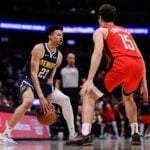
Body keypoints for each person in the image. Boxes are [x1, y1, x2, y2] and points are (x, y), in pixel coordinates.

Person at [66, 4, 148, 146]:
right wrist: (144, 83)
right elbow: (140, 57)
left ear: (100, 19)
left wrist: (90, 80)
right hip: (138, 66)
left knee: (88, 95)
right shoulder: (126, 32)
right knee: (128, 97)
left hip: (121, 65)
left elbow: (97, 53)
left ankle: (85, 134)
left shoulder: (101, 31)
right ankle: (135, 133)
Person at [0, 25, 77, 144]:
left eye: (62, 35)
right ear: (50, 37)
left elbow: (50, 79)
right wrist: (41, 97)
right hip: (29, 78)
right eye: (58, 35)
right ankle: (5, 134)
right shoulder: (39, 49)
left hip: (43, 83)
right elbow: (33, 74)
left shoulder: (59, 57)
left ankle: (72, 135)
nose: (61, 37)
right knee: (28, 101)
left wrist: (50, 97)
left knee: (65, 100)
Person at [55, 52, 85, 138]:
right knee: (64, 113)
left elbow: (84, 82)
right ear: (67, 59)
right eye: (70, 58)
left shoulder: (78, 69)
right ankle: (65, 133)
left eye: (73, 58)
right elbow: (57, 82)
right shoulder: (62, 70)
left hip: (75, 92)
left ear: (74, 59)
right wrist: (57, 92)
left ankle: (73, 133)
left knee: (74, 113)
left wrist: (83, 94)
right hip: (64, 92)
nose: (71, 60)